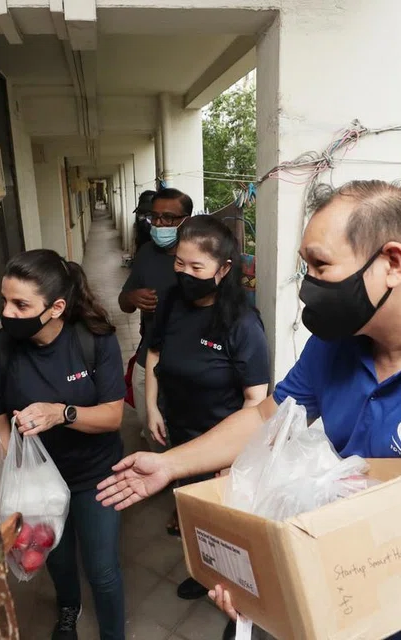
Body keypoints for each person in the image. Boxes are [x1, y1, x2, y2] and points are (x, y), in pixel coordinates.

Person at [98, 181, 401, 640]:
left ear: (392, 263)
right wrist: (169, 465)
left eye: (320, 265)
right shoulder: (339, 344)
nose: (306, 286)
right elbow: (266, 417)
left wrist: (320, 612)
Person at [0, 249, 126, 640]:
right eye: (5, 301)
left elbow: (112, 415)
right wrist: (17, 476)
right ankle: (68, 610)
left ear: (56, 307)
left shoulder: (95, 340)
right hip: (41, 481)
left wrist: (62, 413)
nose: (7, 313)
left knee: (102, 568)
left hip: (96, 475)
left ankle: (114, 634)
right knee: (54, 555)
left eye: (21, 305)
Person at [145, 216, 270, 599]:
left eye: (197, 267)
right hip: (180, 432)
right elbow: (154, 353)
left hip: (222, 446)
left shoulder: (242, 324)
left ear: (224, 269)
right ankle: (204, 575)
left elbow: (257, 401)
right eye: (180, 263)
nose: (185, 274)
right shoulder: (170, 302)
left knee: (227, 525)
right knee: (194, 515)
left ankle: (237, 596)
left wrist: (230, 458)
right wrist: (152, 406)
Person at [118, 188, 193, 451]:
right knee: (149, 422)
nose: (160, 224)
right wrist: (132, 297)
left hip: (190, 360)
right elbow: (123, 303)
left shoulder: (200, 257)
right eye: (155, 217)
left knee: (186, 430)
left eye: (169, 218)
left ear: (187, 219)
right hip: (149, 353)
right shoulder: (147, 254)